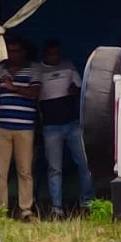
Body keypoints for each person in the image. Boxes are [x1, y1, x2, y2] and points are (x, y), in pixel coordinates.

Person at [35, 40, 93, 215]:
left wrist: (74, 91)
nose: (56, 57)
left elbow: (81, 89)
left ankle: (87, 203)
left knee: (85, 164)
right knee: (55, 168)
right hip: (50, 127)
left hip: (72, 124)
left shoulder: (68, 66)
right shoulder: (38, 70)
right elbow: (34, 95)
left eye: (58, 53)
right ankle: (57, 208)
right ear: (45, 54)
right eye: (52, 53)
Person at [0, 37, 40, 220]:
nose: (12, 54)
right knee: (0, 171)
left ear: (25, 52)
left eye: (16, 51)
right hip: (1, 127)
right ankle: (0, 209)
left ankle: (25, 210)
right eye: (10, 50)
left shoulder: (34, 69)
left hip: (24, 128)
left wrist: (13, 88)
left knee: (25, 170)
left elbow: (35, 93)